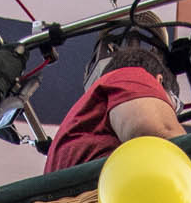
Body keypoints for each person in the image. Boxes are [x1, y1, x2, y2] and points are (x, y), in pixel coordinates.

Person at [42, 11, 181, 174]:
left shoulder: (80, 123)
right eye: (174, 105)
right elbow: (162, 135)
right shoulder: (132, 75)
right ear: (158, 81)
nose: (173, 114)